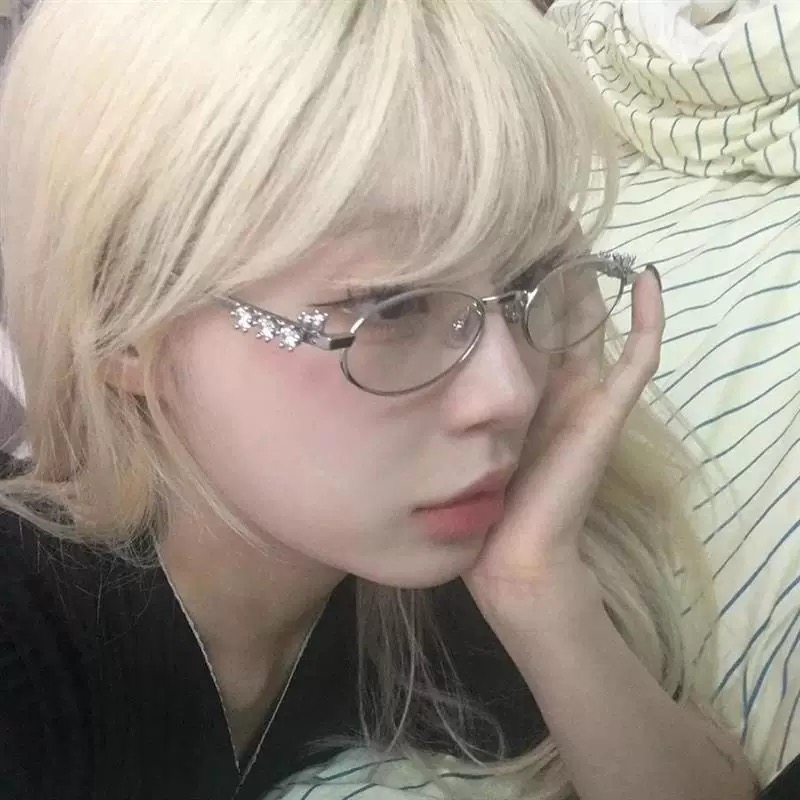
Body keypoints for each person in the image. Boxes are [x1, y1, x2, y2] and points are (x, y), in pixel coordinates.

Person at [0, 2, 758, 799]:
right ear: (127, 327)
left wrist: (539, 590)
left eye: (526, 279)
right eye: (393, 307)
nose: (508, 394)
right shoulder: (29, 638)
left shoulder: (440, 598)